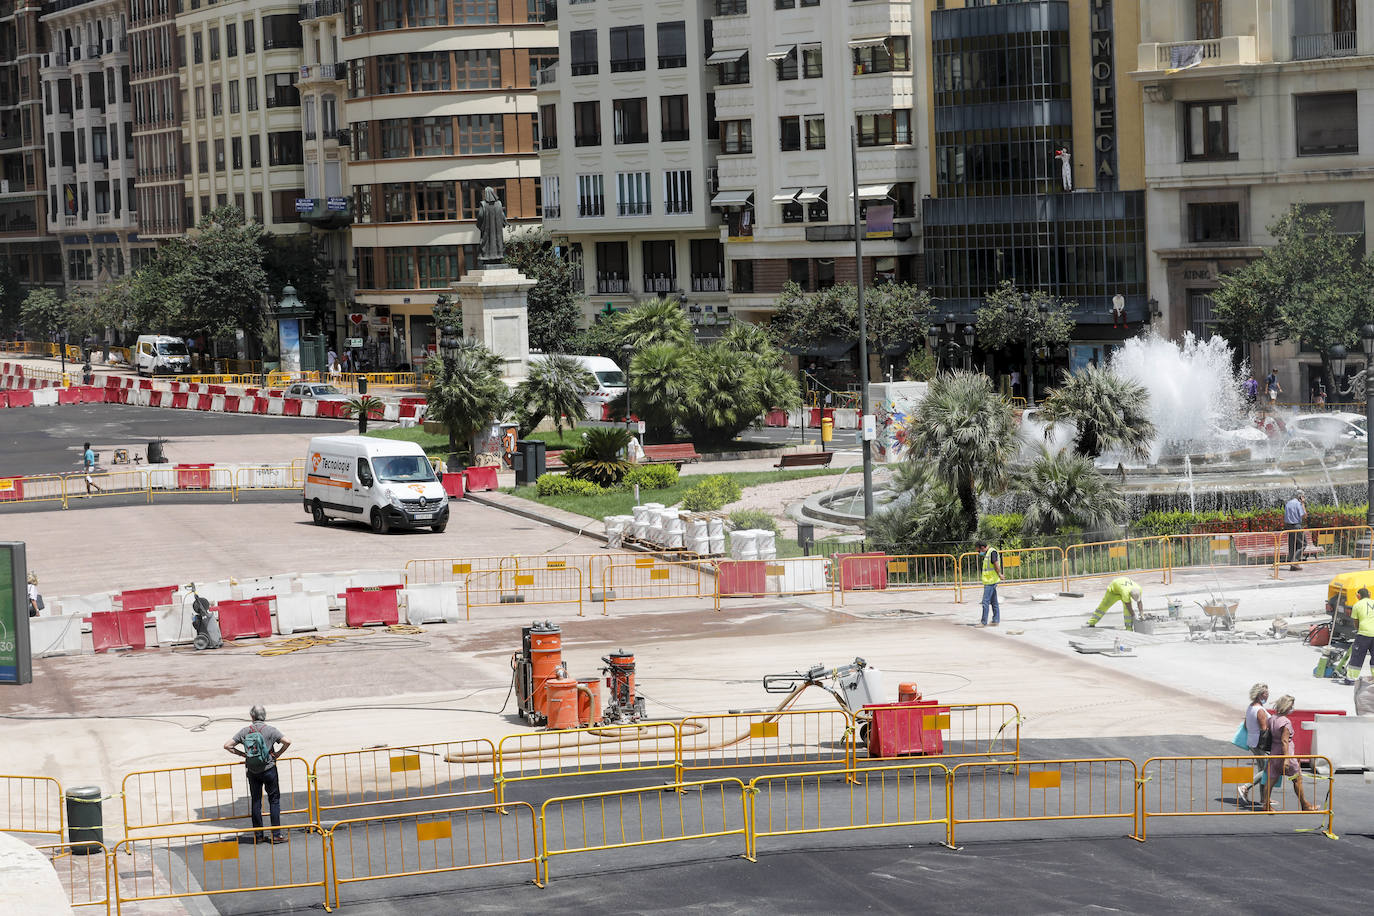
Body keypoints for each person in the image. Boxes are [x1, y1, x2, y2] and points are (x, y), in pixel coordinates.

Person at [223, 705, 292, 843]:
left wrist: (244, 755)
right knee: (274, 800)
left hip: (253, 771)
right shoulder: (271, 730)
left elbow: (227, 745)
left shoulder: (245, 731)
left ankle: (258, 836)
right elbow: (287, 742)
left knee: (256, 801)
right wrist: (277, 754)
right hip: (269, 769)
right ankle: (277, 834)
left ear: (252, 716)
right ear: (264, 716)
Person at [1260, 695, 1318, 812]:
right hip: (1286, 755)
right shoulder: (1285, 722)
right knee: (1297, 779)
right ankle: (1305, 805)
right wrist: (1286, 759)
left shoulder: (1272, 719)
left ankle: (1266, 804)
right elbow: (1284, 741)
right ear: (1286, 706)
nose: (1292, 708)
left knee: (1270, 780)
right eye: (1291, 706)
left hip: (1274, 753)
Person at [1237, 683, 1270, 806]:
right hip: (1259, 743)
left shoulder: (1250, 707)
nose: (1268, 696)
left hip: (1252, 741)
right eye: (1266, 693)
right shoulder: (1260, 710)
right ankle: (1245, 787)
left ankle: (1264, 798)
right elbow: (1264, 730)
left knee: (1262, 769)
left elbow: (1246, 725)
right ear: (1261, 694)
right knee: (1267, 769)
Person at [1344, 587, 1374, 684]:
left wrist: (1358, 630)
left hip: (1364, 635)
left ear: (1358, 596)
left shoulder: (1357, 605)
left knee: (1357, 656)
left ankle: (1351, 679)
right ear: (1369, 595)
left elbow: (1356, 622)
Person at [976, 540, 1003, 628]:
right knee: (994, 601)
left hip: (991, 581)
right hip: (989, 581)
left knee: (985, 602)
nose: (979, 553)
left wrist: (1000, 574)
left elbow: (996, 564)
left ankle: (983, 622)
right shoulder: (988, 553)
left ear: (982, 547)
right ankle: (995, 620)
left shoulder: (992, 552)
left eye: (979, 551)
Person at [1284, 489, 1307, 571]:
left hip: (1288, 526)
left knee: (1292, 545)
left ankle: (1293, 564)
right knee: (1303, 544)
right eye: (1303, 496)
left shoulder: (1288, 503)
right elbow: (1304, 515)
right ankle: (1294, 561)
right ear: (1300, 496)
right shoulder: (1298, 504)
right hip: (1296, 526)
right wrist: (1303, 503)